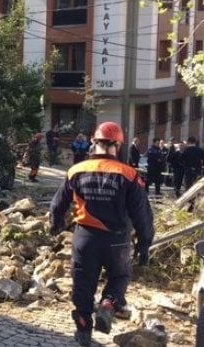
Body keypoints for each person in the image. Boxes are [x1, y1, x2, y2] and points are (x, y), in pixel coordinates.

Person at [48, 121, 154, 346]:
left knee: (84, 283)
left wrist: (55, 226)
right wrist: (144, 244)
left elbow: (57, 205)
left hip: (85, 237)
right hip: (117, 239)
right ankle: (108, 304)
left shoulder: (76, 170)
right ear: (118, 145)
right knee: (120, 276)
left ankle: (84, 327)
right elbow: (142, 215)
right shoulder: (129, 174)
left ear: (93, 142)